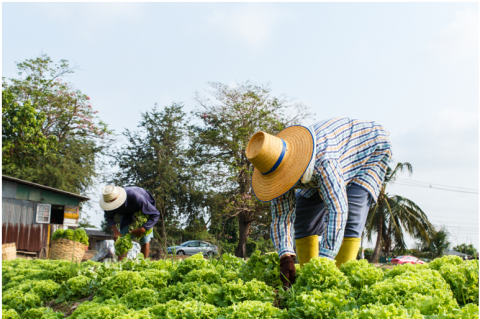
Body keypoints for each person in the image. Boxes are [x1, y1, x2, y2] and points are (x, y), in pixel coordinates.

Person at [245, 117, 392, 288]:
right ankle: (309, 282)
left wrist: (325, 261)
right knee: (303, 215)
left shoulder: (324, 162)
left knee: (351, 213)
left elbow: (337, 209)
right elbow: (281, 216)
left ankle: (338, 284)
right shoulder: (273, 162)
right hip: (332, 156)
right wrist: (285, 256)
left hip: (370, 149)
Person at [99, 185, 160, 260]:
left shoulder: (136, 197)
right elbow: (109, 217)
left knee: (145, 239)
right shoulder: (108, 202)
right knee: (122, 239)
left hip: (144, 211)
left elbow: (155, 214)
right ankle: (122, 265)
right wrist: (115, 230)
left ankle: (143, 263)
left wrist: (143, 228)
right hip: (127, 212)